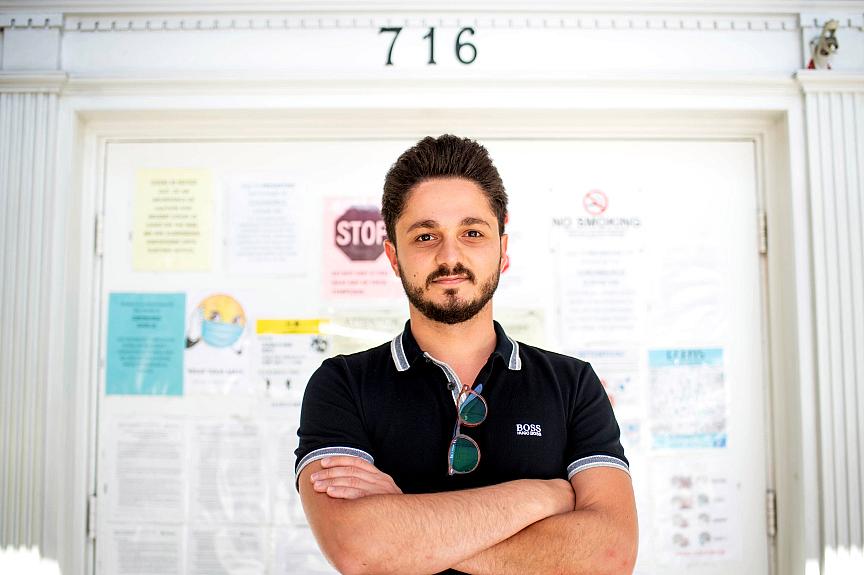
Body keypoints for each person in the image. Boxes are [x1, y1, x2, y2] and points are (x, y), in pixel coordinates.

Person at [295, 135, 638, 575]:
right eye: (425, 235)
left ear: (503, 250)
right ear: (393, 257)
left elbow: (609, 557)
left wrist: (408, 526)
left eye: (472, 233)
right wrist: (541, 496)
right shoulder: (341, 385)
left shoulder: (573, 385)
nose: (450, 256)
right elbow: (358, 548)